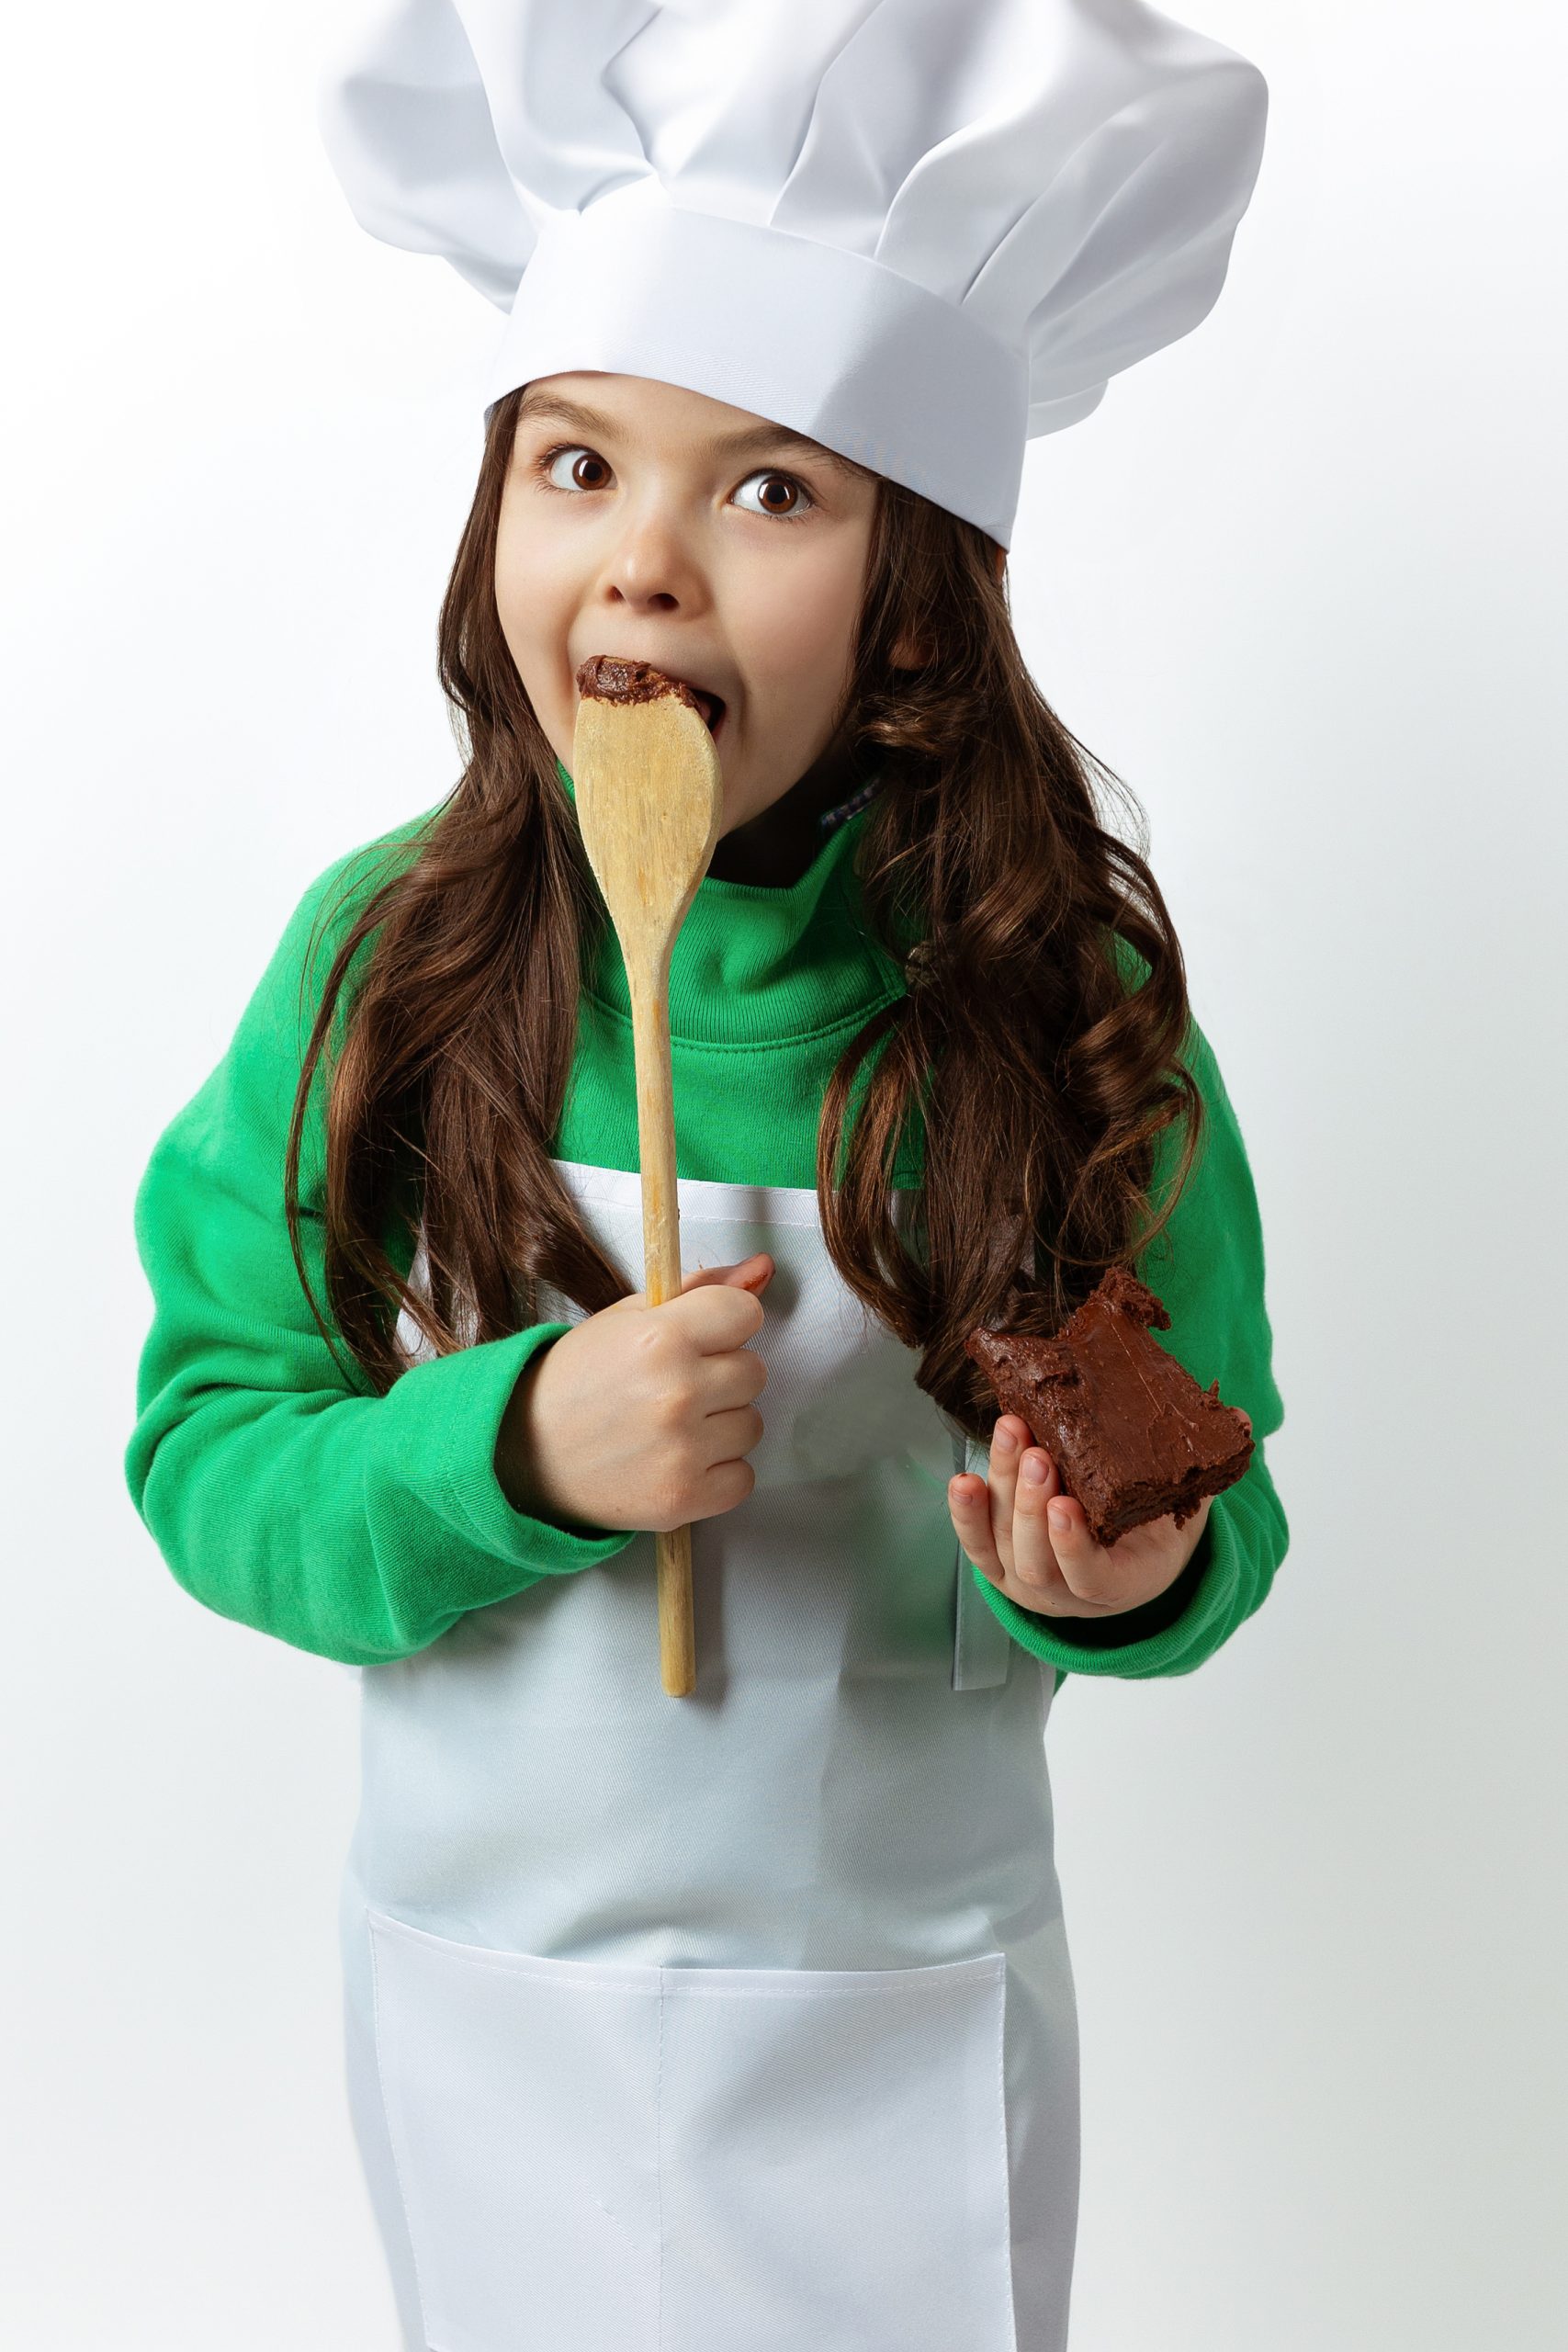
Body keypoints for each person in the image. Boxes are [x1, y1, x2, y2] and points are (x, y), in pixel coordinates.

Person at [124, 4, 1286, 2345]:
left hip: (902, 2020)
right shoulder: (384, 966)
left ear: (918, 588)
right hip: (492, 2014)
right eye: (574, 464)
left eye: (767, 492)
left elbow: (1220, 1488)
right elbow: (206, 1453)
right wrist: (511, 1446)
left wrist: (1127, 1565)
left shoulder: (1056, 1008)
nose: (640, 567)